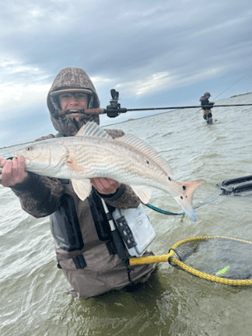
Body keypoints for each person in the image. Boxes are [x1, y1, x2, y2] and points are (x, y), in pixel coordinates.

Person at [0, 67, 155, 299]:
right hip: (85, 273)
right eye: (65, 97)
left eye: (80, 96)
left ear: (90, 100)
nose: (73, 102)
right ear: (56, 105)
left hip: (134, 257)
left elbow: (135, 200)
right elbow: (43, 207)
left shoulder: (115, 139)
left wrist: (116, 192)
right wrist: (24, 184)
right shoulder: (45, 149)